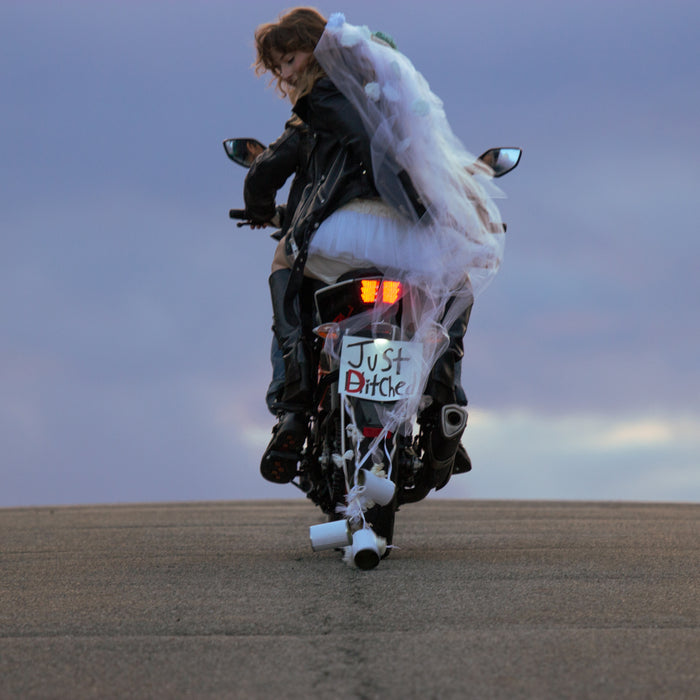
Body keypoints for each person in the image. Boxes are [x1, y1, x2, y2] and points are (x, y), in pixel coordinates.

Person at [244, 8, 505, 487]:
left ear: (314, 50)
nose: (286, 73)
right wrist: (448, 218)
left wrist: (258, 206)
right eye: (279, 65)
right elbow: (434, 175)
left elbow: (265, 172)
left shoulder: (312, 113)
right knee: (450, 290)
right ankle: (445, 403)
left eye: (290, 59)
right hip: (404, 241)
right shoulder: (394, 111)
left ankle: (294, 407)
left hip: (336, 239)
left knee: (285, 267)